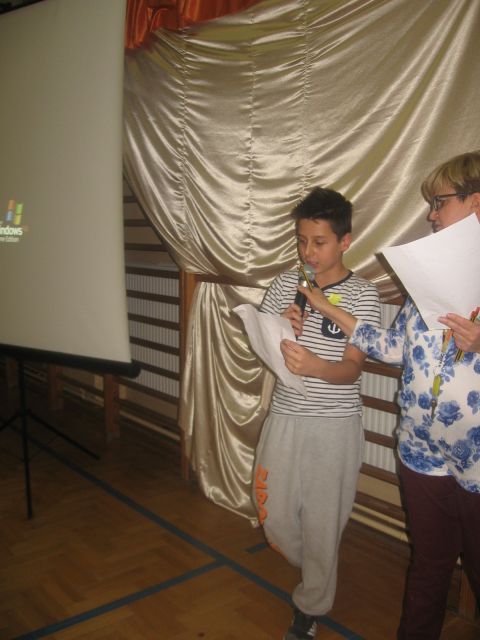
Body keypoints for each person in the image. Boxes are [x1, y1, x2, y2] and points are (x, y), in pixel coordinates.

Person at [300, 151, 480, 640]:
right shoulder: (430, 279)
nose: (431, 215)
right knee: (428, 567)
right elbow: (395, 347)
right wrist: (327, 308)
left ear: (476, 202)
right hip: (422, 454)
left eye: (440, 202)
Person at [253, 186, 381, 640]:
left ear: (345, 241)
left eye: (319, 242)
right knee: (273, 516)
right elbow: (266, 352)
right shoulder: (284, 284)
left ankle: (311, 605)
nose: (308, 252)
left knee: (323, 524)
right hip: (285, 416)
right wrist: (281, 331)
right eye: (302, 240)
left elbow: (352, 369)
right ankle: (317, 566)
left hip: (334, 426)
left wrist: (315, 366)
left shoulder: (364, 295)